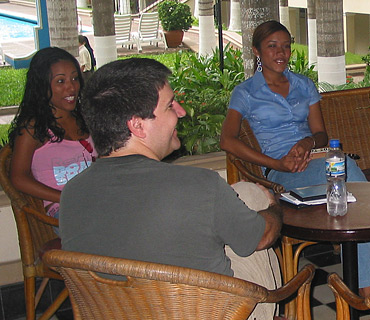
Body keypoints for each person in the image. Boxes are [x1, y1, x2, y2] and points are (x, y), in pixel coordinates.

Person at [59, 58, 282, 306]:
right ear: (137, 125)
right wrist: (274, 207)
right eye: (169, 106)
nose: (182, 111)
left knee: (233, 202)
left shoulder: (71, 193)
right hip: (205, 311)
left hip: (118, 309)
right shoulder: (200, 185)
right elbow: (263, 237)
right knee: (253, 196)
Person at [221, 20, 370, 296]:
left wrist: (307, 142)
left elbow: (321, 135)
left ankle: (364, 277)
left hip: (315, 157)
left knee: (347, 188)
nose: (281, 52)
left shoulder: (304, 85)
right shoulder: (245, 92)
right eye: (272, 46)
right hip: (281, 171)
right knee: (347, 182)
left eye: (287, 46)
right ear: (257, 51)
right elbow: (226, 140)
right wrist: (277, 164)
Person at [8, 47, 96, 221]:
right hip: (63, 211)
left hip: (95, 202)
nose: (71, 87)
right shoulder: (33, 128)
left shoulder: (85, 119)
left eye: (74, 78)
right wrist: (63, 198)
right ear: (42, 86)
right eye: (61, 81)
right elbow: (18, 177)